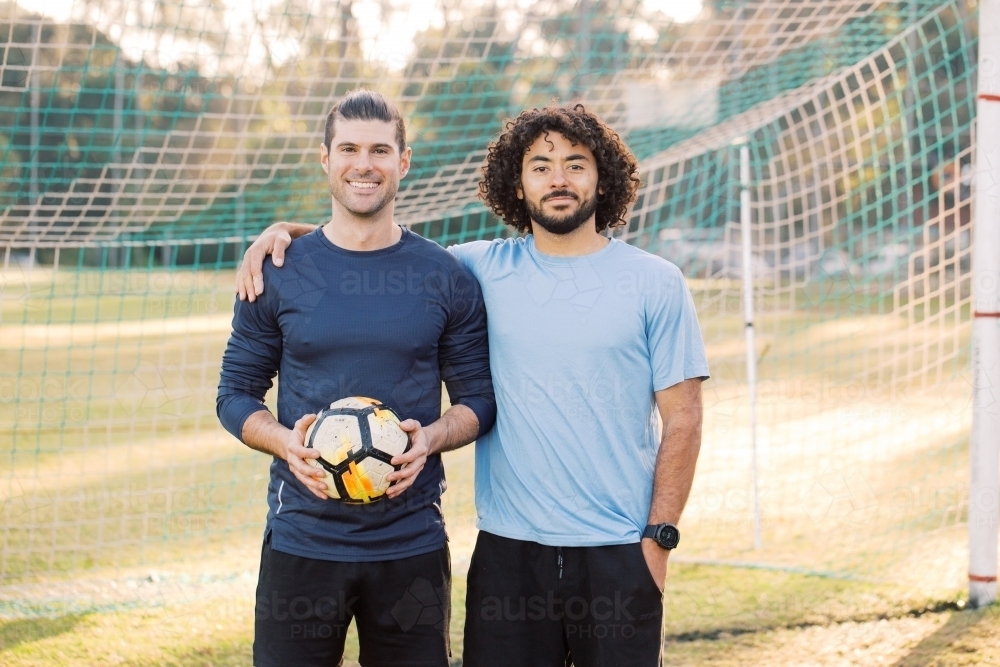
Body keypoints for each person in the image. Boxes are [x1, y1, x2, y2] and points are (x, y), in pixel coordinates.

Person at [237, 103, 708, 667]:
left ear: (602, 176)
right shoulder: (477, 267)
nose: (558, 178)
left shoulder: (655, 282)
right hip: (509, 553)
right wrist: (286, 236)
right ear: (517, 182)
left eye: (575, 164)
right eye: (540, 166)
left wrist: (658, 542)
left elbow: (684, 420)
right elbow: (371, 243)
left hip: (617, 549)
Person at [217, 89, 496, 667]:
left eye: (379, 150)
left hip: (411, 546)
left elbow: (479, 401)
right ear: (325, 160)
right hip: (301, 543)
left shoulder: (445, 276)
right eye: (348, 148)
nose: (363, 164)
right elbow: (235, 394)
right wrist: (284, 442)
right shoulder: (279, 272)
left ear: (404, 160)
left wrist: (432, 438)